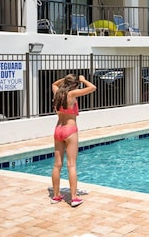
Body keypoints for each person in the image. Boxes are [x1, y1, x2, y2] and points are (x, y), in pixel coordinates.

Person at [50, 73, 97, 207]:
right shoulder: (72, 94)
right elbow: (93, 87)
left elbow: (54, 84)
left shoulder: (57, 93)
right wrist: (83, 80)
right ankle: (74, 197)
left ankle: (56, 195)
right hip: (70, 130)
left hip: (58, 129)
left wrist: (64, 80)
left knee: (57, 164)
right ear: (75, 85)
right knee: (71, 164)